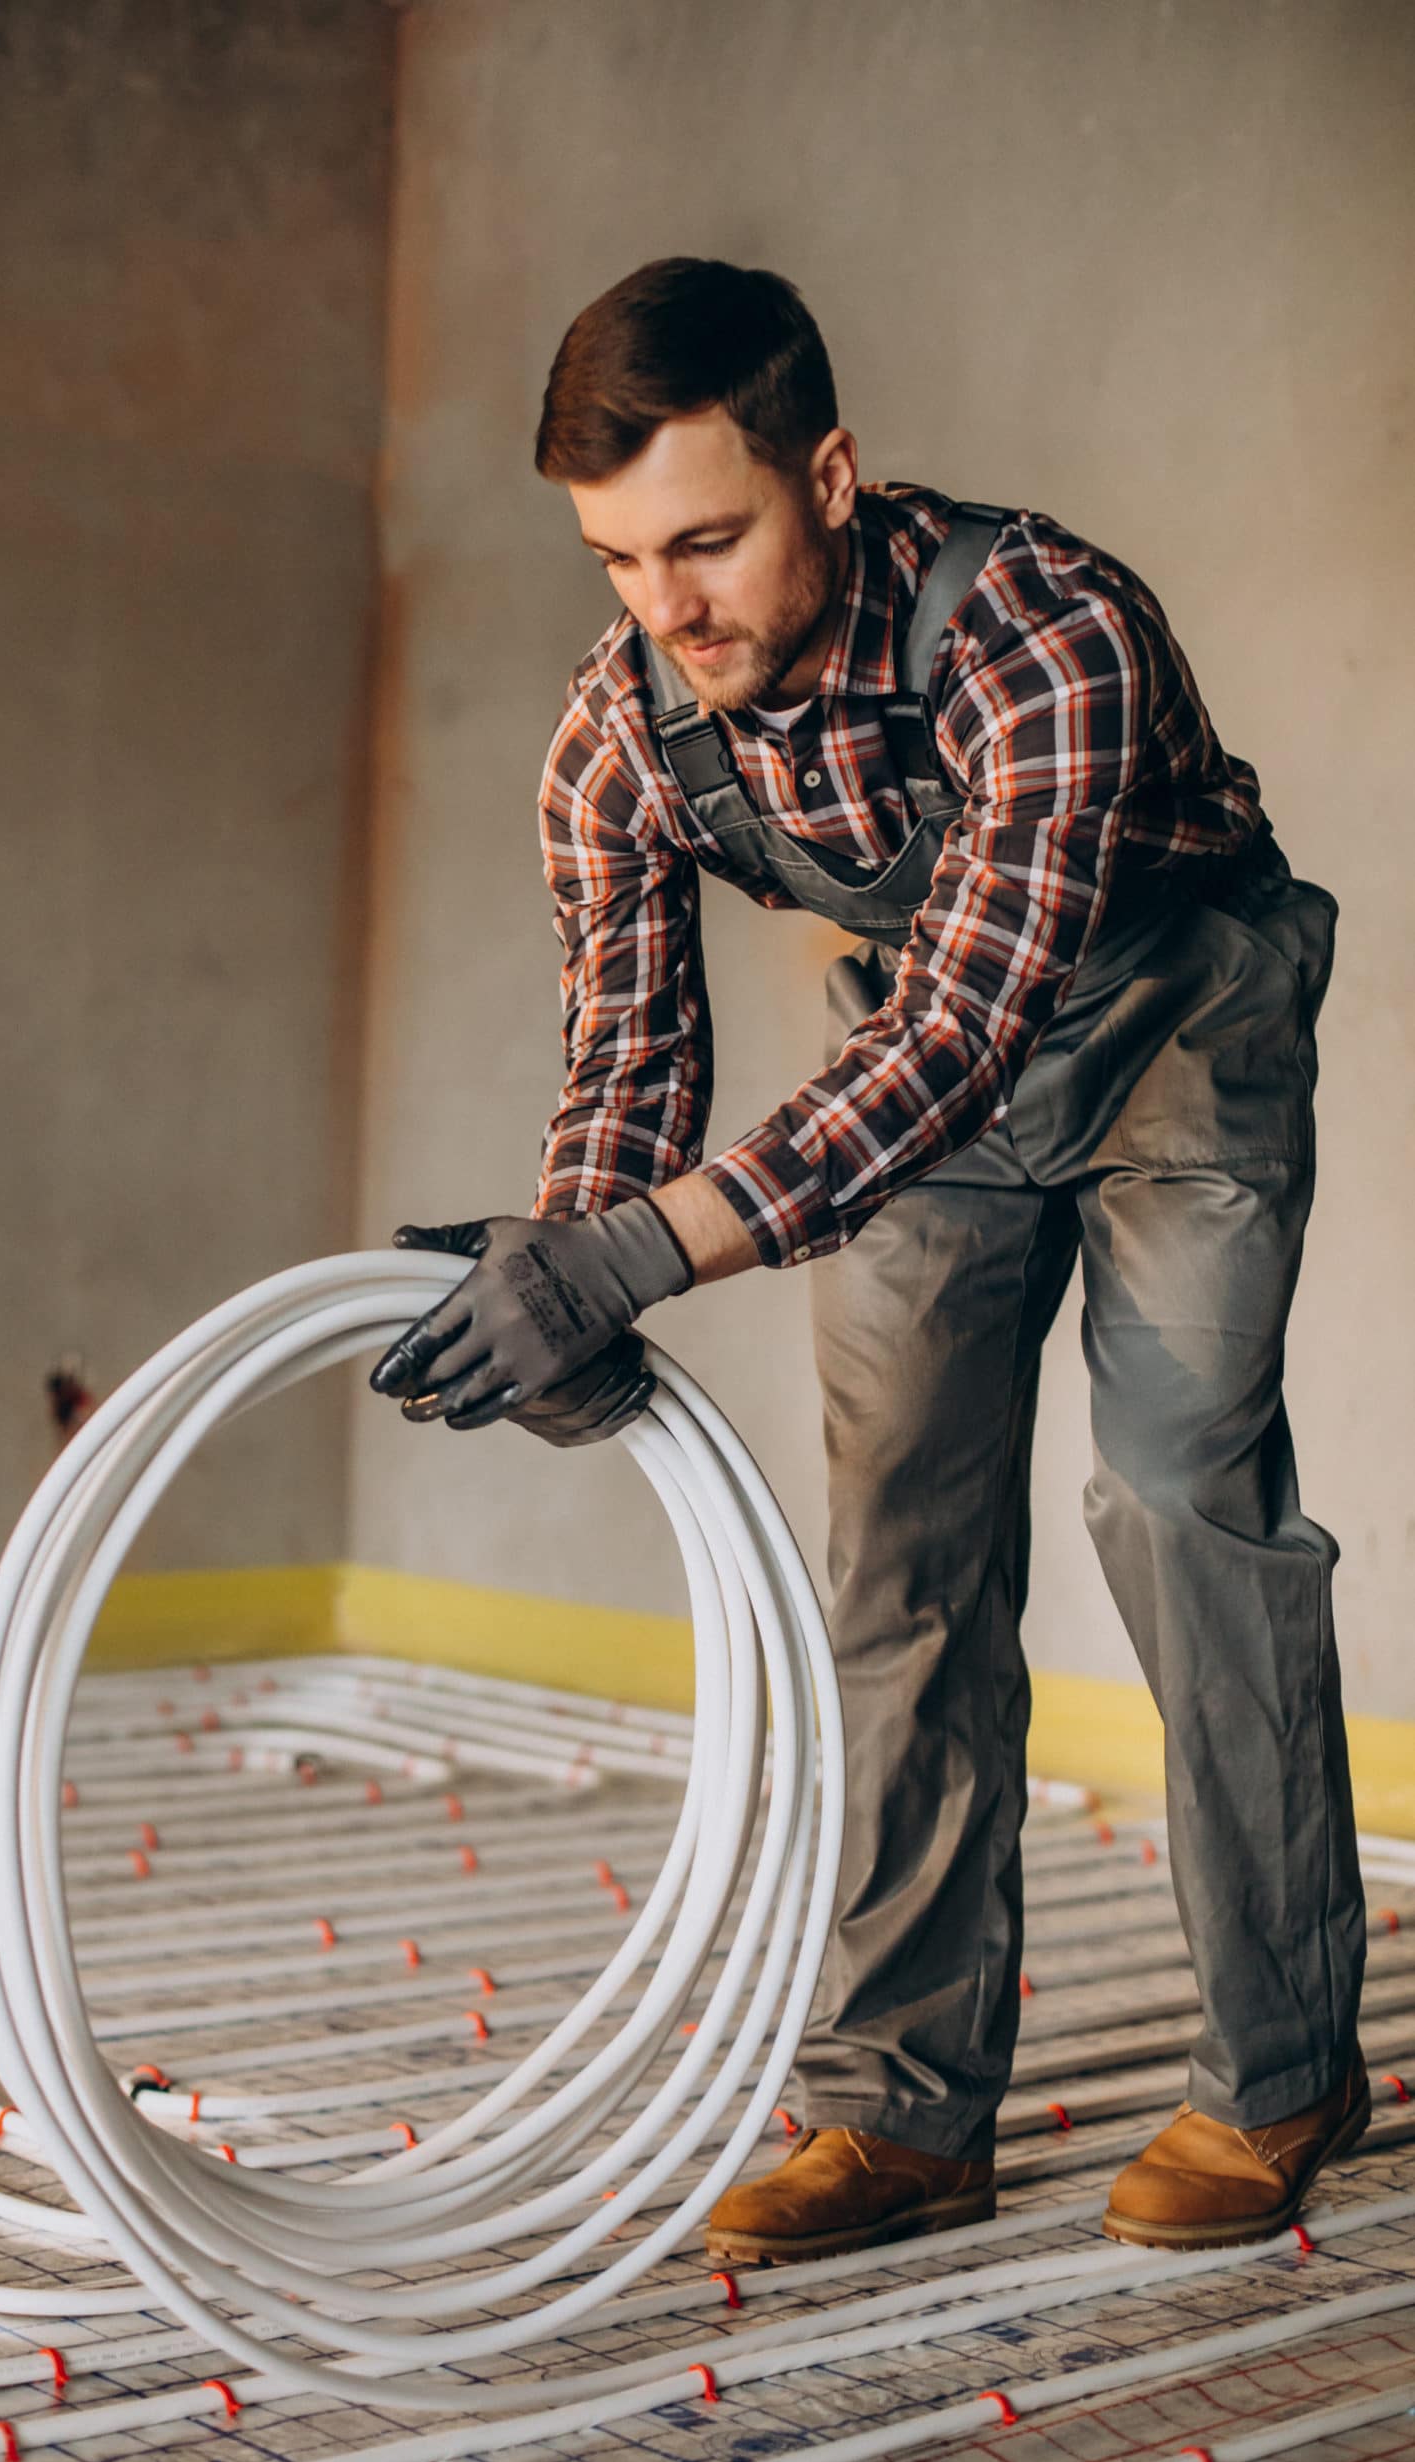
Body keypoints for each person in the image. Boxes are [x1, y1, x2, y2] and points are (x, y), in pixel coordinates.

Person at [368, 257, 1368, 2262]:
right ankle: (901, 2110)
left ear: (827, 473)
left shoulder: (1041, 624)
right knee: (896, 1556)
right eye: (622, 557)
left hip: (1168, 1026)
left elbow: (966, 1026)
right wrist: (573, 1273)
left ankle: (1279, 2070)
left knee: (1181, 1499)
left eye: (709, 539)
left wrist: (644, 1251)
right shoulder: (617, 739)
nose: (670, 606)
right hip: (916, 1080)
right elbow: (628, 1062)